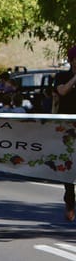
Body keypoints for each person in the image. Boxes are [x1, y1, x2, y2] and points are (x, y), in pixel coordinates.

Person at [53, 45, 76, 221]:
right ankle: (69, 200)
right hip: (67, 128)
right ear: (71, 60)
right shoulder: (62, 76)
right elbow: (62, 91)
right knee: (68, 166)